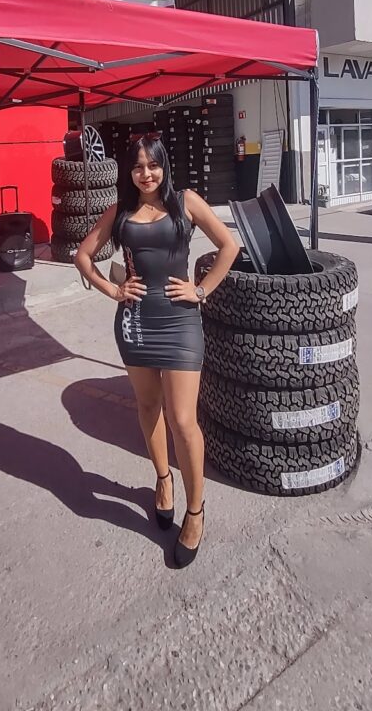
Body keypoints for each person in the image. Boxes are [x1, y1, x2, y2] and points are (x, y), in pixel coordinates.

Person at [74, 133, 238, 567]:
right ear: (128, 172)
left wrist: (201, 290)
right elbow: (83, 255)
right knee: (148, 407)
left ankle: (195, 512)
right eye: (137, 167)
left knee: (183, 420)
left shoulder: (186, 202)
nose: (146, 174)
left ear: (164, 166)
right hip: (135, 324)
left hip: (180, 322)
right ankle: (163, 480)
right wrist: (114, 290)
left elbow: (229, 246)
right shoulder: (121, 212)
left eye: (153, 165)